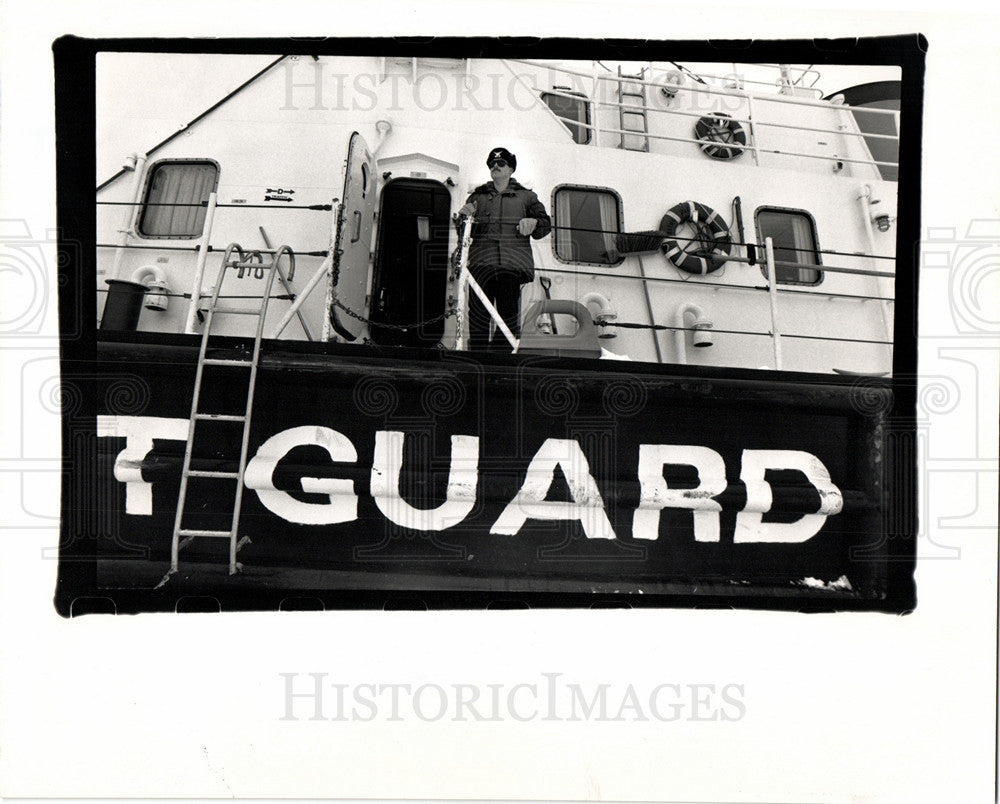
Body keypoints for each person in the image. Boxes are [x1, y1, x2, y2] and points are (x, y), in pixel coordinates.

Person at [456, 146, 551, 351]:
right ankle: (478, 357)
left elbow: (545, 223)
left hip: (511, 265)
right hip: (481, 263)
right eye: (492, 164)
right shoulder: (477, 197)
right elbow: (463, 232)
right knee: (478, 314)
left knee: (507, 314)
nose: (495, 167)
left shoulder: (527, 197)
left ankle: (502, 356)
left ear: (511, 169)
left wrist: (533, 222)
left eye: (501, 163)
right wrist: (464, 218)